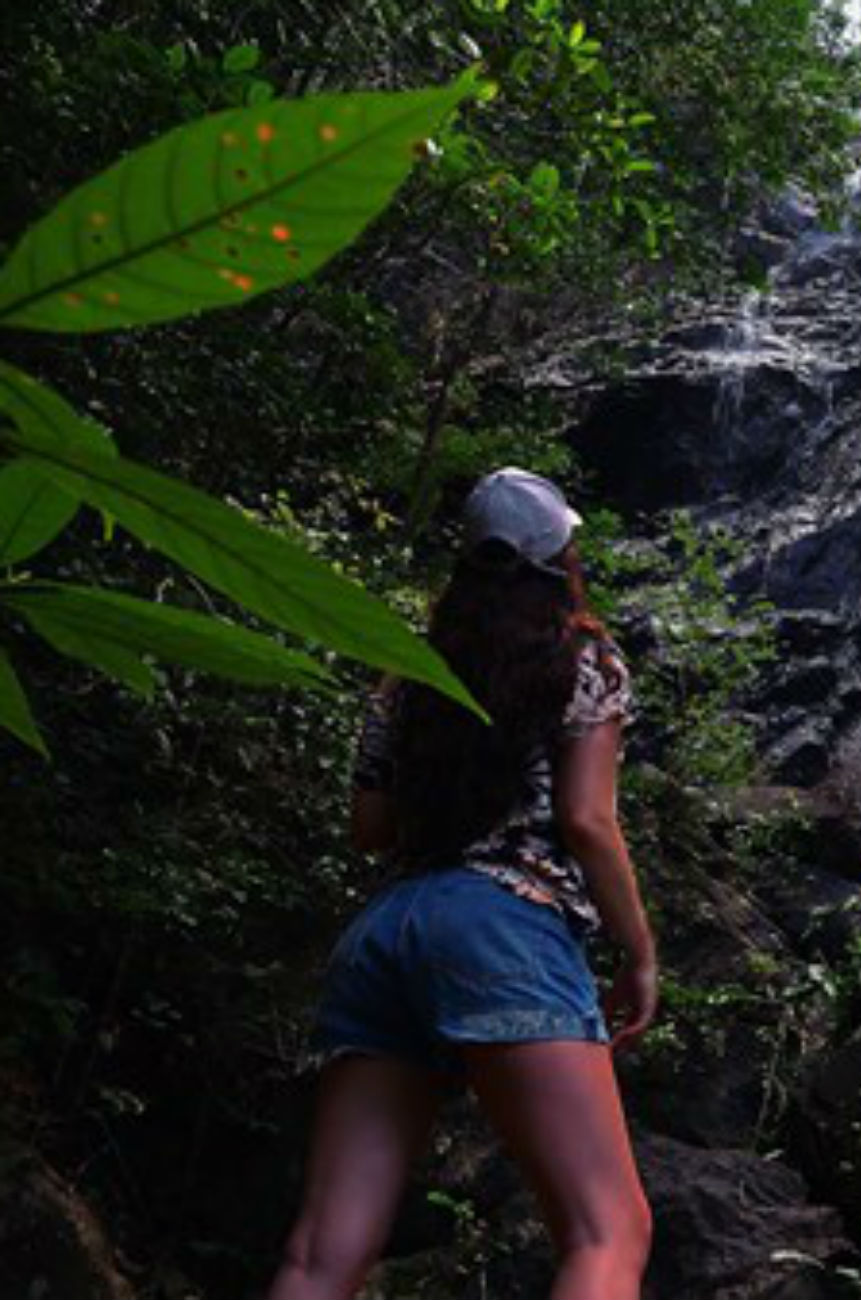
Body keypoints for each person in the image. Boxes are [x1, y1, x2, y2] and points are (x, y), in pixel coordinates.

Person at [270, 468, 658, 1300]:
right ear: (561, 557)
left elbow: (370, 831)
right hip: (505, 924)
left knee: (320, 1253)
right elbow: (589, 821)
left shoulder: (404, 673)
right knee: (608, 1231)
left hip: (384, 934)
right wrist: (641, 952)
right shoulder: (582, 659)